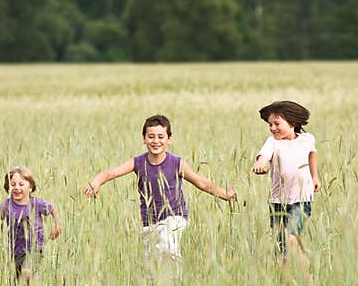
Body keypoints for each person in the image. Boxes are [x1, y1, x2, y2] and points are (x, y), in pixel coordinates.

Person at [83, 114, 236, 272]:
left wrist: (225, 195)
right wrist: (96, 182)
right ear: (144, 138)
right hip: (150, 223)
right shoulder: (138, 162)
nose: (156, 141)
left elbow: (201, 182)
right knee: (152, 263)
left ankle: (175, 282)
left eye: (161, 136)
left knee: (167, 244)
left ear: (169, 138)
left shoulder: (177, 163)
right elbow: (111, 173)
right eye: (151, 137)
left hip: (175, 217)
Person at [251, 100, 320, 269]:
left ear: (292, 123)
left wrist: (315, 177)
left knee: (291, 238)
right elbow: (264, 157)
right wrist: (260, 164)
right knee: (282, 249)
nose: (273, 128)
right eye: (270, 125)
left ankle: (308, 278)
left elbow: (312, 154)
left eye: (277, 123)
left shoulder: (307, 139)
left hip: (302, 199)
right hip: (278, 202)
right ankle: (287, 285)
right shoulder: (272, 142)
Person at [0, 166, 61, 284]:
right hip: (17, 251)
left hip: (35, 248)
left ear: (30, 187)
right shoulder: (6, 206)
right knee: (20, 282)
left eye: (21, 184)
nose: (17, 188)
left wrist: (57, 226)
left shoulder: (36, 203)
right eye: (13, 184)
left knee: (27, 271)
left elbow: (53, 209)